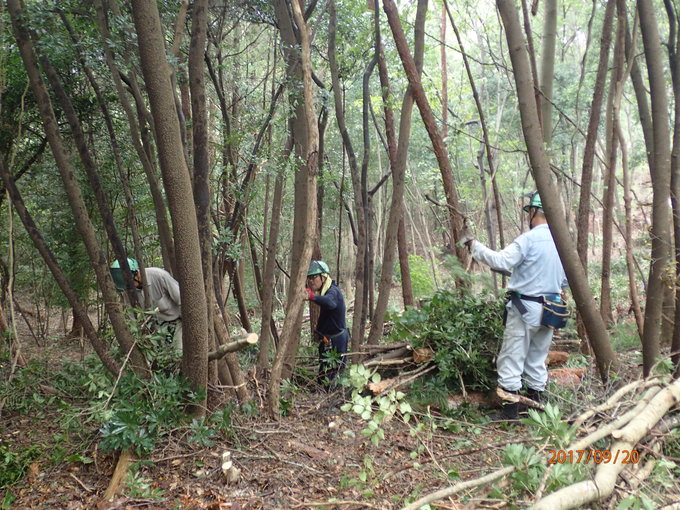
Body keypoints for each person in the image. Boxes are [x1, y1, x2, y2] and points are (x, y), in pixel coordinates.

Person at [461, 191, 568, 420]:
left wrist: (474, 245)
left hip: (525, 309)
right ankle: (535, 408)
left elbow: (501, 260)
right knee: (537, 358)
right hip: (551, 310)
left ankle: (510, 412)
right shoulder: (562, 241)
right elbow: (566, 280)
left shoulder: (529, 239)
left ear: (533, 212)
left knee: (511, 358)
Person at [110, 258, 183, 354]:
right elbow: (133, 315)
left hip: (177, 322)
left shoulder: (159, 276)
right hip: (156, 328)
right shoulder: (128, 291)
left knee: (177, 354)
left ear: (137, 274)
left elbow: (181, 299)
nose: (131, 286)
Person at [305, 260, 349, 388]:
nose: (311, 281)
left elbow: (330, 303)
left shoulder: (333, 291)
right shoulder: (323, 292)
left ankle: (334, 399)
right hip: (327, 339)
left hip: (337, 339)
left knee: (335, 374)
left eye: (314, 277)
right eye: (309, 278)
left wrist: (311, 296)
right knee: (323, 373)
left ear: (323, 277)